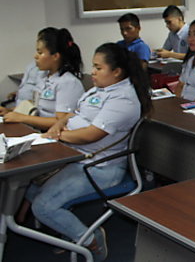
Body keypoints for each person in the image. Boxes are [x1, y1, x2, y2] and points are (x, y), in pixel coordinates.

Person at [25, 42, 152, 261]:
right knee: (29, 188)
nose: (92, 72)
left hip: (100, 167)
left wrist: (55, 136)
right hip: (74, 156)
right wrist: (57, 125)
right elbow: (73, 114)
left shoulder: (123, 99)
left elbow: (91, 135)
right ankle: (68, 229)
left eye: (98, 68)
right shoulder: (99, 89)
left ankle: (91, 239)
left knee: (43, 206)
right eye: (93, 66)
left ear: (117, 71)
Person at [2, 28, 84, 129]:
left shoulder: (68, 82)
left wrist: (22, 118)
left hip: (53, 136)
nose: (35, 56)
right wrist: (10, 111)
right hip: (35, 130)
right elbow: (36, 107)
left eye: (40, 53)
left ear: (55, 56)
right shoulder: (44, 76)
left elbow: (61, 121)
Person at [1, 27, 55, 115]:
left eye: (40, 52)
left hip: (29, 113)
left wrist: (13, 112)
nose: (36, 56)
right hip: (22, 109)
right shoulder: (32, 65)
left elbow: (37, 102)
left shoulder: (50, 74)